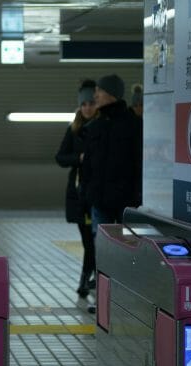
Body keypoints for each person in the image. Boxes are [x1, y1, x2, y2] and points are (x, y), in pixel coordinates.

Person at [81, 74, 143, 232]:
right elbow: (87, 166)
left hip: (127, 203)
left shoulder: (133, 125)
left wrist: (137, 195)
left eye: (99, 91)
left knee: (129, 247)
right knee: (102, 251)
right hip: (99, 201)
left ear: (112, 93)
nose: (95, 96)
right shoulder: (94, 126)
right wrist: (87, 194)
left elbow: (139, 163)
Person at [55, 80, 98, 299]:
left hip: (99, 195)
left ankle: (87, 279)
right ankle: (88, 279)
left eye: (91, 103)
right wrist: (79, 158)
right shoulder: (74, 130)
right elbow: (60, 157)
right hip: (79, 195)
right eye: (84, 104)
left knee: (95, 241)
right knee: (88, 241)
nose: (88, 108)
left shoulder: (103, 127)